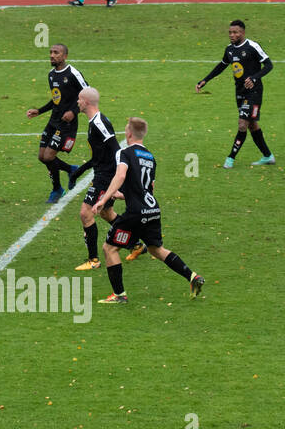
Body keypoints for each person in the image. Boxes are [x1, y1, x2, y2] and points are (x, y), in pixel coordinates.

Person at [92, 116, 205, 304]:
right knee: (156, 250)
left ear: (128, 133)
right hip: (152, 209)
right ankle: (192, 276)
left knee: (109, 248)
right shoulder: (150, 157)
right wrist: (121, 196)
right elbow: (147, 188)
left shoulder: (124, 153)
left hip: (135, 212)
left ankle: (119, 295)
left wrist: (104, 199)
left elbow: (120, 175)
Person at [196, 19, 275, 168]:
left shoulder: (252, 46)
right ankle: (268, 156)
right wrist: (205, 80)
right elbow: (222, 66)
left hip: (254, 92)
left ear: (243, 33)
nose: (232, 35)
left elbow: (269, 65)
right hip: (239, 91)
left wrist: (254, 77)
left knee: (242, 124)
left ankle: (230, 159)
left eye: (235, 32)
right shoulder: (229, 49)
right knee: (252, 125)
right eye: (230, 32)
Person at [25, 43, 88, 202]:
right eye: (51, 52)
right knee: (41, 156)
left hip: (66, 124)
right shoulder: (51, 75)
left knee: (48, 156)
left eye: (56, 53)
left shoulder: (73, 73)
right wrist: (39, 111)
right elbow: (56, 100)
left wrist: (74, 112)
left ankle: (57, 189)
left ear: (65, 56)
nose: (52, 55)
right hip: (53, 121)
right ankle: (70, 171)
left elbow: (88, 93)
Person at [66, 87, 119, 271]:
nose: (77, 102)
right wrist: (78, 172)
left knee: (85, 213)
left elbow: (116, 149)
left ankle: (93, 260)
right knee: (106, 213)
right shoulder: (93, 122)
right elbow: (98, 157)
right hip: (102, 172)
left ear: (86, 102)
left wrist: (121, 175)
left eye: (79, 99)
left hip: (106, 176)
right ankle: (135, 243)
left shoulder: (99, 123)